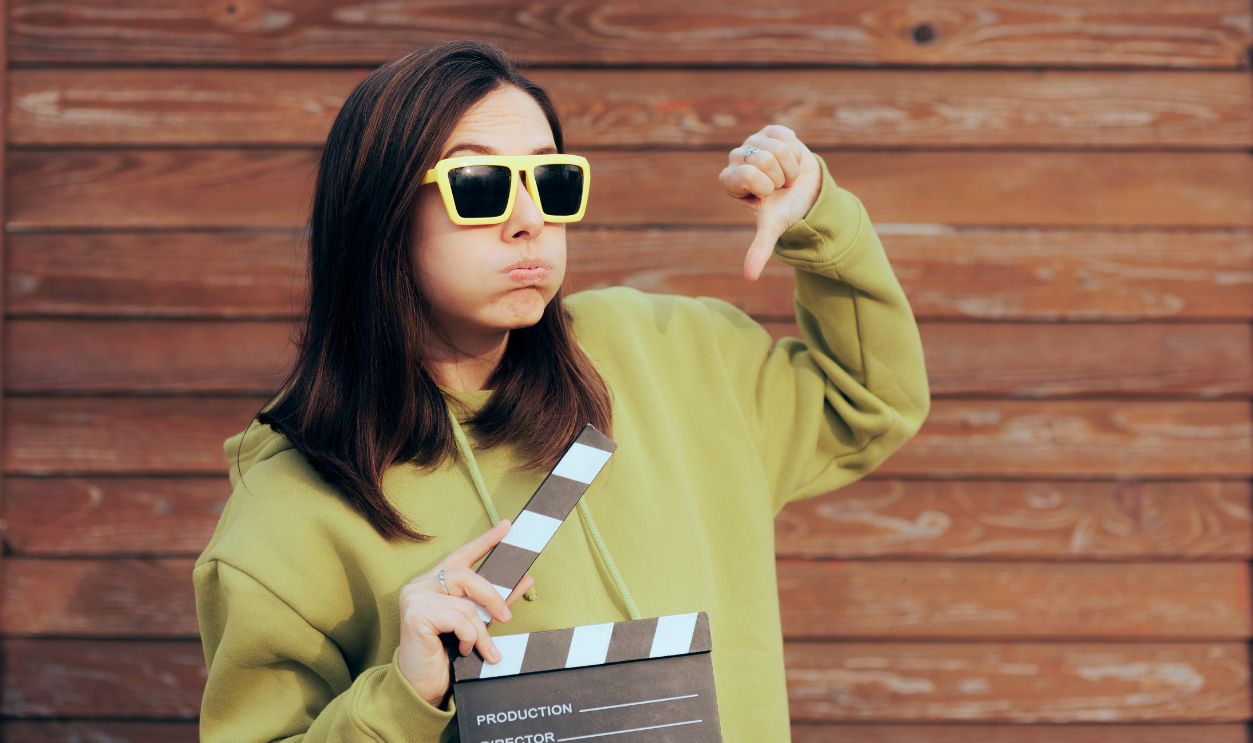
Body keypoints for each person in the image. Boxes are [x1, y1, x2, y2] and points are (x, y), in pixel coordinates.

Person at [193, 38, 930, 742]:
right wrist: (404, 697)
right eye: (477, 185)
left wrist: (820, 223)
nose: (529, 220)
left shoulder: (672, 354)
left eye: (550, 180)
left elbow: (866, 401)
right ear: (379, 213)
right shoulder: (288, 511)